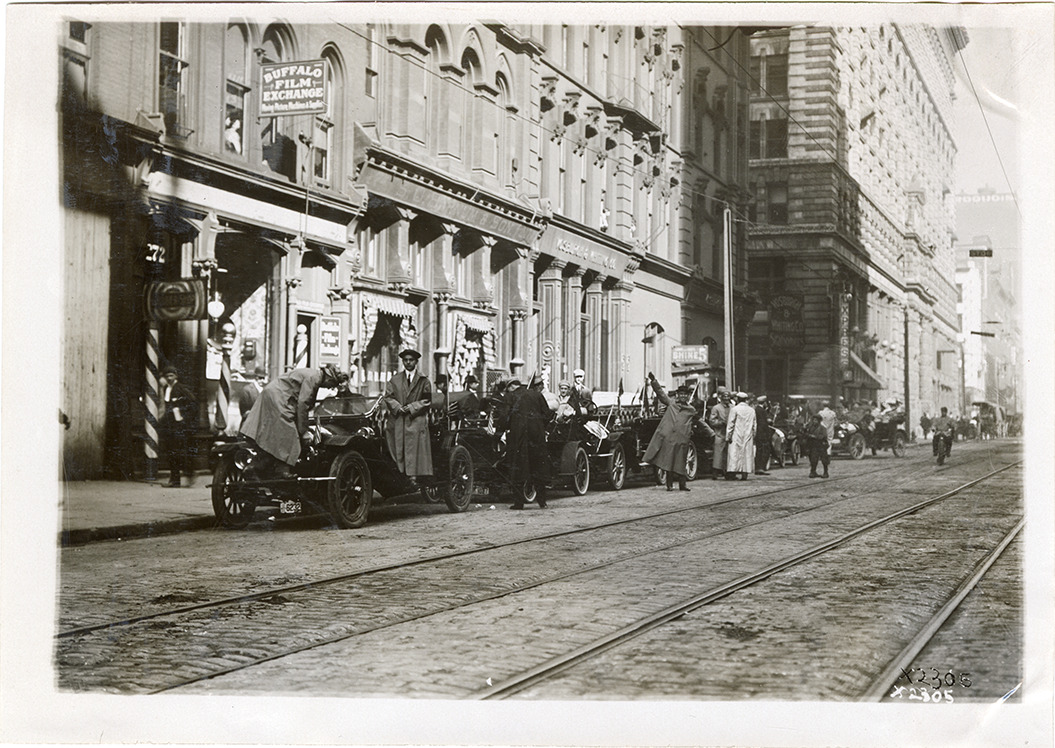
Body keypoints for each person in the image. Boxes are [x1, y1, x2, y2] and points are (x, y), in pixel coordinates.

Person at [240, 364, 347, 478]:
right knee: (290, 434)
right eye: (331, 386)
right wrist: (304, 432)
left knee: (273, 434)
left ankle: (258, 466)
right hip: (279, 398)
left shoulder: (313, 375)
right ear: (329, 379)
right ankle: (281, 471)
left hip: (273, 395)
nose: (328, 388)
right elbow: (303, 404)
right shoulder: (314, 378)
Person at [383, 349, 434, 481]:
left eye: (411, 360)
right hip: (398, 419)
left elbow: (427, 400)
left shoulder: (424, 380)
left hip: (416, 419)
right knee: (397, 446)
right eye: (405, 360)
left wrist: (412, 407)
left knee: (414, 448)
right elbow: (388, 397)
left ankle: (414, 476)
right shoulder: (395, 380)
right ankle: (401, 475)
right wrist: (398, 407)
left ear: (416, 362)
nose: (408, 362)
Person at [643, 373, 697, 491]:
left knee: (682, 461)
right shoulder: (671, 404)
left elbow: (699, 422)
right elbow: (661, 394)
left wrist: (710, 433)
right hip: (670, 439)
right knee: (669, 461)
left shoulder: (691, 410)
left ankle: (683, 485)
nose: (683, 396)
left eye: (685, 394)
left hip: (682, 440)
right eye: (681, 394)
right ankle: (669, 485)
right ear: (678, 395)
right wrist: (654, 381)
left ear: (688, 396)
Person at [508, 373, 552, 509]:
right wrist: (540, 426)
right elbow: (547, 414)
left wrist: (507, 428)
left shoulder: (512, 396)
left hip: (518, 437)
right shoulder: (537, 395)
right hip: (536, 436)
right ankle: (542, 502)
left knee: (519, 468)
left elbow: (505, 417)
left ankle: (519, 503)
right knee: (538, 466)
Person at [159, 364, 198, 487]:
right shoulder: (166, 389)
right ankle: (175, 479)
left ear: (176, 376)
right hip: (170, 426)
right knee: (172, 452)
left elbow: (193, 403)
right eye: (167, 376)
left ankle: (189, 473)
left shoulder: (181, 389)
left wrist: (184, 418)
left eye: (171, 375)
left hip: (180, 426)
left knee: (179, 452)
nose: (169, 378)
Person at [726, 392, 757, 481]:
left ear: (738, 399)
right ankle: (745, 474)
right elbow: (754, 425)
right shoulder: (751, 410)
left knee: (734, 454)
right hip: (748, 435)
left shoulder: (734, 409)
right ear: (746, 399)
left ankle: (733, 473)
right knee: (747, 454)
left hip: (736, 434)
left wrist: (728, 436)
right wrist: (754, 434)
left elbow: (731, 424)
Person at [708, 388, 732, 480]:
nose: (726, 398)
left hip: (730, 434)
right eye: (724, 396)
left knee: (729, 453)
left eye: (728, 396)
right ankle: (715, 472)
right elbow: (712, 420)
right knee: (718, 453)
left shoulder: (732, 407)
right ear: (721, 397)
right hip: (720, 433)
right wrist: (721, 423)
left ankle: (728, 473)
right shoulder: (716, 408)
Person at [804, 413, 831, 478]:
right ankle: (813, 472)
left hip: (821, 445)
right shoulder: (810, 428)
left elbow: (823, 436)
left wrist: (814, 436)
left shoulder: (822, 428)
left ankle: (825, 472)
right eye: (813, 420)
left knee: (824, 460)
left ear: (819, 421)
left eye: (816, 420)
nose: (814, 421)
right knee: (813, 459)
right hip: (813, 445)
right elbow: (806, 434)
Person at [753, 394, 772, 475]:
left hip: (758, 433)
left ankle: (758, 467)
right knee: (763, 451)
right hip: (762, 433)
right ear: (764, 403)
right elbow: (763, 423)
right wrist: (767, 433)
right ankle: (761, 468)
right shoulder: (762, 411)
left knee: (759, 450)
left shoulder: (756, 409)